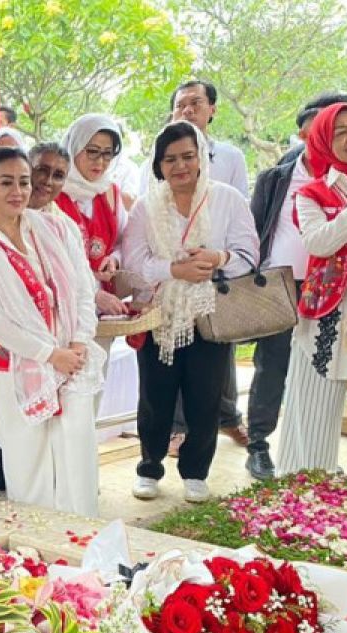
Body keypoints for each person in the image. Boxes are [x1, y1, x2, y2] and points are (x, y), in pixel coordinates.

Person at [121, 122, 258, 503]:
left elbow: (249, 254)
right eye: (170, 159)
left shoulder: (227, 199)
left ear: (200, 158)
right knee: (154, 397)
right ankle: (149, 467)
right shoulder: (147, 206)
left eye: (187, 156)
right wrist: (172, 271)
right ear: (158, 164)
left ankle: (196, 471)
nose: (180, 166)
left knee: (205, 398)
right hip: (159, 318)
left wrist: (218, 258)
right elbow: (134, 264)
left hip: (210, 315)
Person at [0, 148, 104, 516]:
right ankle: (36, 544)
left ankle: (81, 537)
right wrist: (49, 354)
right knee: (27, 456)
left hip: (72, 359)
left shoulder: (58, 228)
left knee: (76, 450)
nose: (18, 191)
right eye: (6, 182)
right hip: (15, 367)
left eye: (24, 181)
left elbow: (83, 290)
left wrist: (77, 342)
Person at [243, 92, 347, 479]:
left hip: (332, 289)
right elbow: (256, 226)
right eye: (319, 132)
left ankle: (314, 452)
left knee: (320, 369)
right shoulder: (277, 176)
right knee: (271, 367)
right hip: (280, 284)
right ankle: (258, 445)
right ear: (304, 133)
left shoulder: (345, 177)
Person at [278, 102, 347, 486]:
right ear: (324, 140)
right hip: (325, 315)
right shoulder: (311, 193)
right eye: (340, 131)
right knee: (311, 410)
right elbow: (319, 242)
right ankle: (301, 496)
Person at [165, 79, 250, 450]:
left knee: (220, 346)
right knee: (175, 346)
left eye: (195, 103)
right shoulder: (161, 154)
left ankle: (229, 418)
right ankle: (177, 427)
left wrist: (221, 257)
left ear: (212, 109)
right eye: (180, 104)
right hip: (175, 271)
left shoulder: (230, 157)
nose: (187, 109)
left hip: (218, 269)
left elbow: (240, 209)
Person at [56, 114, 131, 319]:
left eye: (107, 154)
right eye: (92, 152)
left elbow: (124, 240)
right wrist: (93, 294)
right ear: (74, 148)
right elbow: (49, 259)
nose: (100, 162)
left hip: (105, 309)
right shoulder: (52, 192)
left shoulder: (109, 192)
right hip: (63, 307)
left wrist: (114, 259)